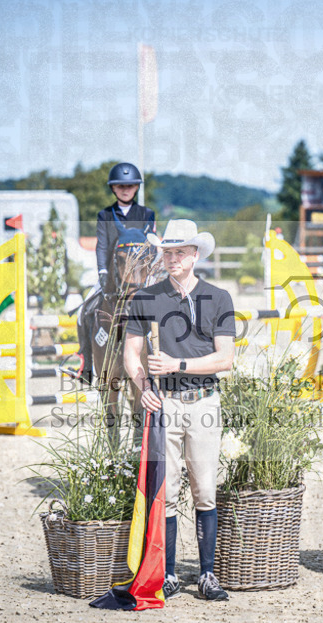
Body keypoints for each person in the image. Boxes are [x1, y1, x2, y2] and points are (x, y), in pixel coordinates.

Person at [123, 219, 236, 602]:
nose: (170, 258)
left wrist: (178, 365)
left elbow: (226, 359)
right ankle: (167, 573)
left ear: (194, 255)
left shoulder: (219, 297)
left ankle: (207, 574)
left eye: (178, 252)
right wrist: (143, 389)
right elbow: (130, 354)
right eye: (166, 252)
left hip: (204, 401)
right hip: (165, 404)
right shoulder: (145, 297)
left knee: (205, 491)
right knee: (166, 493)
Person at [96, 162, 156, 297]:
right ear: (113, 188)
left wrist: (148, 269)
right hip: (113, 273)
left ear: (136, 187)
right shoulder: (105, 215)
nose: (125, 190)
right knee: (90, 297)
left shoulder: (147, 214)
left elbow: (153, 245)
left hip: (141, 272)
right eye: (120, 186)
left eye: (130, 186)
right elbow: (102, 246)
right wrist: (102, 271)